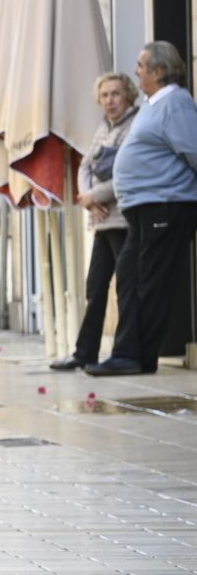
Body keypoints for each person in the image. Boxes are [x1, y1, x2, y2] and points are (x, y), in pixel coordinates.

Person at [85, 41, 197, 377]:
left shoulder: (175, 103)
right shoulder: (154, 103)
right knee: (131, 278)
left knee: (149, 282)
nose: (137, 71)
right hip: (143, 208)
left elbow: (193, 151)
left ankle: (135, 356)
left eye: (141, 65)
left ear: (159, 71)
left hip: (165, 204)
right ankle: (131, 354)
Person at [51, 72, 138, 371]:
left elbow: (129, 172)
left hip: (123, 220)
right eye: (105, 95)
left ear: (128, 95)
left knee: (126, 288)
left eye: (115, 94)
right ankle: (84, 352)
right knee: (95, 286)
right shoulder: (102, 128)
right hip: (102, 220)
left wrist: (94, 196)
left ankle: (126, 354)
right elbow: (85, 165)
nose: (110, 100)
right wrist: (87, 197)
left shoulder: (135, 126)